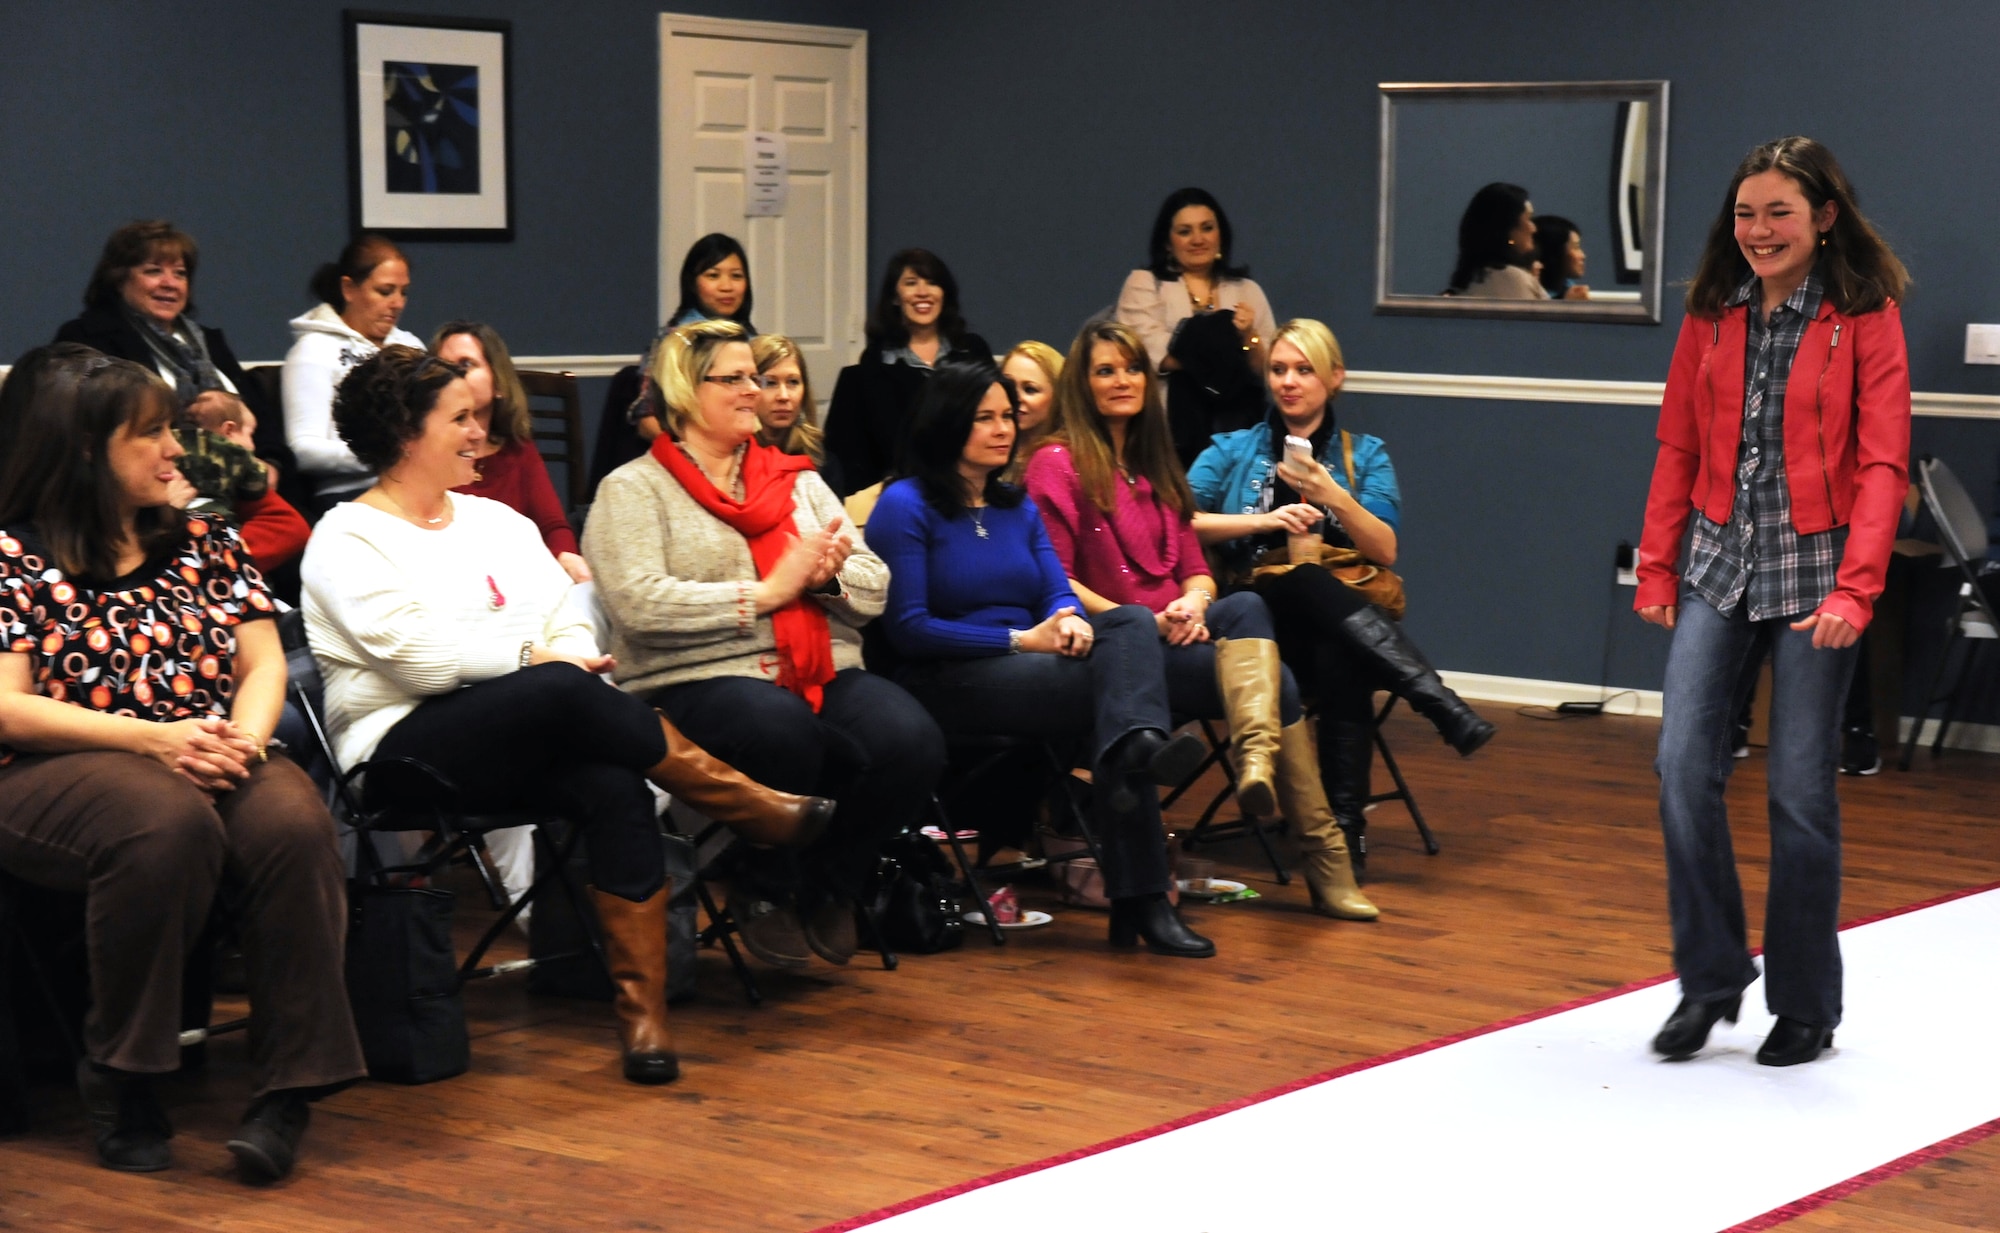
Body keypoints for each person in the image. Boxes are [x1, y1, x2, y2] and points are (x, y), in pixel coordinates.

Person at [302, 345, 836, 1085]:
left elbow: (574, 623)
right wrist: (532, 657)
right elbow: (421, 662)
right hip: (401, 752)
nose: (479, 434)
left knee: (611, 782)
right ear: (404, 434)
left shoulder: (497, 521)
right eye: (460, 419)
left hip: (524, 734)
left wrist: (541, 656)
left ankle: (644, 1021)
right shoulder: (347, 536)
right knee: (556, 686)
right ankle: (740, 799)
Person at [0, 348, 364, 1180]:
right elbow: (7, 703)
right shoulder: (12, 554)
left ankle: (288, 1086)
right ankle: (124, 1071)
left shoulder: (202, 537)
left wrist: (241, 737)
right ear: (87, 448)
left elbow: (263, 661)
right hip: (48, 762)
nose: (176, 451)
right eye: (153, 434)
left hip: (203, 744)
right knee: (160, 822)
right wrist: (152, 739)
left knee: (291, 818)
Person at [1636, 137, 1911, 1068]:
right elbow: (1677, 442)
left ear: (1823, 217)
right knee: (1681, 766)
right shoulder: (1711, 313)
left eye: (1778, 213)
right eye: (1746, 214)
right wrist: (1659, 566)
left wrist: (1858, 586)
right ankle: (1711, 980)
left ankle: (1805, 1001)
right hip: (1719, 560)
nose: (1757, 230)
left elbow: (1882, 461)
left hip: (1818, 574)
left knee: (1799, 790)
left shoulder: (1865, 315)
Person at [586, 319, 946, 969]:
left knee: (910, 737)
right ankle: (762, 882)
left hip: (818, 665)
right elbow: (637, 605)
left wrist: (826, 575)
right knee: (781, 729)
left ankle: (829, 882)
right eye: (736, 378)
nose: (755, 389)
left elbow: (874, 588)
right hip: (693, 678)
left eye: (757, 375)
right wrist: (766, 594)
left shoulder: (800, 481)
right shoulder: (632, 489)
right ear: (685, 391)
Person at [1025, 321, 1375, 921]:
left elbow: (1194, 565)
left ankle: (1260, 763)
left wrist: (1193, 602)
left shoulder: (1152, 460)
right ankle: (1323, 858)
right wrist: (1146, 619)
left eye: (1132, 368)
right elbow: (1054, 582)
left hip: (1179, 630)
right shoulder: (1055, 464)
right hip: (1118, 644)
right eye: (1104, 371)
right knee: (1282, 683)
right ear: (1082, 385)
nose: (1122, 381)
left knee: (1245, 603)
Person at [868, 359, 1219, 955]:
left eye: (1007, 416)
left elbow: (1054, 585)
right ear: (947, 424)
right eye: (984, 419)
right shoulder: (905, 505)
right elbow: (909, 628)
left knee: (1128, 626)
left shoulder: (1014, 504)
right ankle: (1144, 902)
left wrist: (1069, 619)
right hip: (948, 679)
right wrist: (1018, 640)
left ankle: (1140, 861)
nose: (1003, 429)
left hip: (1032, 666)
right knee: (1123, 707)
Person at [1189, 319, 1495, 879]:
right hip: (1259, 619)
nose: (1289, 382)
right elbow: (1176, 520)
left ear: (1334, 378)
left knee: (1342, 655)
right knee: (1303, 583)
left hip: (1331, 628)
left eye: (1304, 370)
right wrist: (1262, 519)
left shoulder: (1366, 454)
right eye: (1279, 370)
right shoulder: (1232, 448)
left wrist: (1331, 494)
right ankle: (1434, 700)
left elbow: (1386, 548)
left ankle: (1344, 836)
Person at [55, 221, 311, 569]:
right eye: (153, 271)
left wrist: (270, 465)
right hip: (166, 490)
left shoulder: (209, 341)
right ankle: (211, 572)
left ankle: (225, 575)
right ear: (118, 277)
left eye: (179, 273)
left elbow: (262, 420)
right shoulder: (89, 338)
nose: (169, 283)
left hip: (247, 488)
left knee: (301, 530)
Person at [1115, 188, 1278, 464]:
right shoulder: (1144, 284)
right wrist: (1226, 348)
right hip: (1163, 436)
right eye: (1185, 231)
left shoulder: (1247, 290)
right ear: (1167, 241)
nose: (1198, 239)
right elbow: (1152, 355)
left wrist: (1248, 337)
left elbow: (1267, 368)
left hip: (1237, 436)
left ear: (1221, 235)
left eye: (1207, 228)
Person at [431, 320, 590, 583]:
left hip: (520, 580)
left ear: (498, 383)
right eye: (442, 367)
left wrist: (566, 558)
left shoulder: (518, 449)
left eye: (465, 365)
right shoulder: (428, 454)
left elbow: (553, 526)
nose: (451, 377)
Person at [824, 248, 991, 496]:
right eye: (911, 283)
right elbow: (857, 454)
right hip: (900, 492)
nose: (923, 292)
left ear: (944, 293)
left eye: (932, 283)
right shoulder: (874, 365)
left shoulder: (973, 351)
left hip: (972, 488)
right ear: (895, 297)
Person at [282, 234, 421, 509]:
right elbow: (303, 449)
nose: (398, 303)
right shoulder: (314, 350)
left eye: (403, 292)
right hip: (349, 496)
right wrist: (383, 454)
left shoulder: (411, 346)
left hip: (416, 486)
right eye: (385, 291)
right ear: (348, 289)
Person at [631, 233, 758, 444]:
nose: (726, 286)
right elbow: (647, 419)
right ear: (692, 283)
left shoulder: (754, 342)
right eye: (713, 275)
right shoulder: (676, 342)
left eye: (736, 276)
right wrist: (693, 450)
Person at [752, 332, 843, 495]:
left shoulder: (822, 462)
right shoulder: (730, 459)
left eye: (793, 382)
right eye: (770, 383)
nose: (784, 396)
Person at [1447, 183, 1548, 299]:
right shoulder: (1510, 278)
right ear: (1507, 227)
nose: (1533, 229)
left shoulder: (1477, 277)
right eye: (1529, 218)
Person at [1000, 340, 1064, 481]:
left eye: (1030, 390)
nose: (1015, 398)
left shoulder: (1063, 459)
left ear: (1059, 396)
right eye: (1008, 386)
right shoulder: (984, 449)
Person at [1532, 214, 1591, 299]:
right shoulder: (1527, 289)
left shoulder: (1569, 287)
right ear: (1554, 252)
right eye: (1576, 247)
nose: (1583, 256)